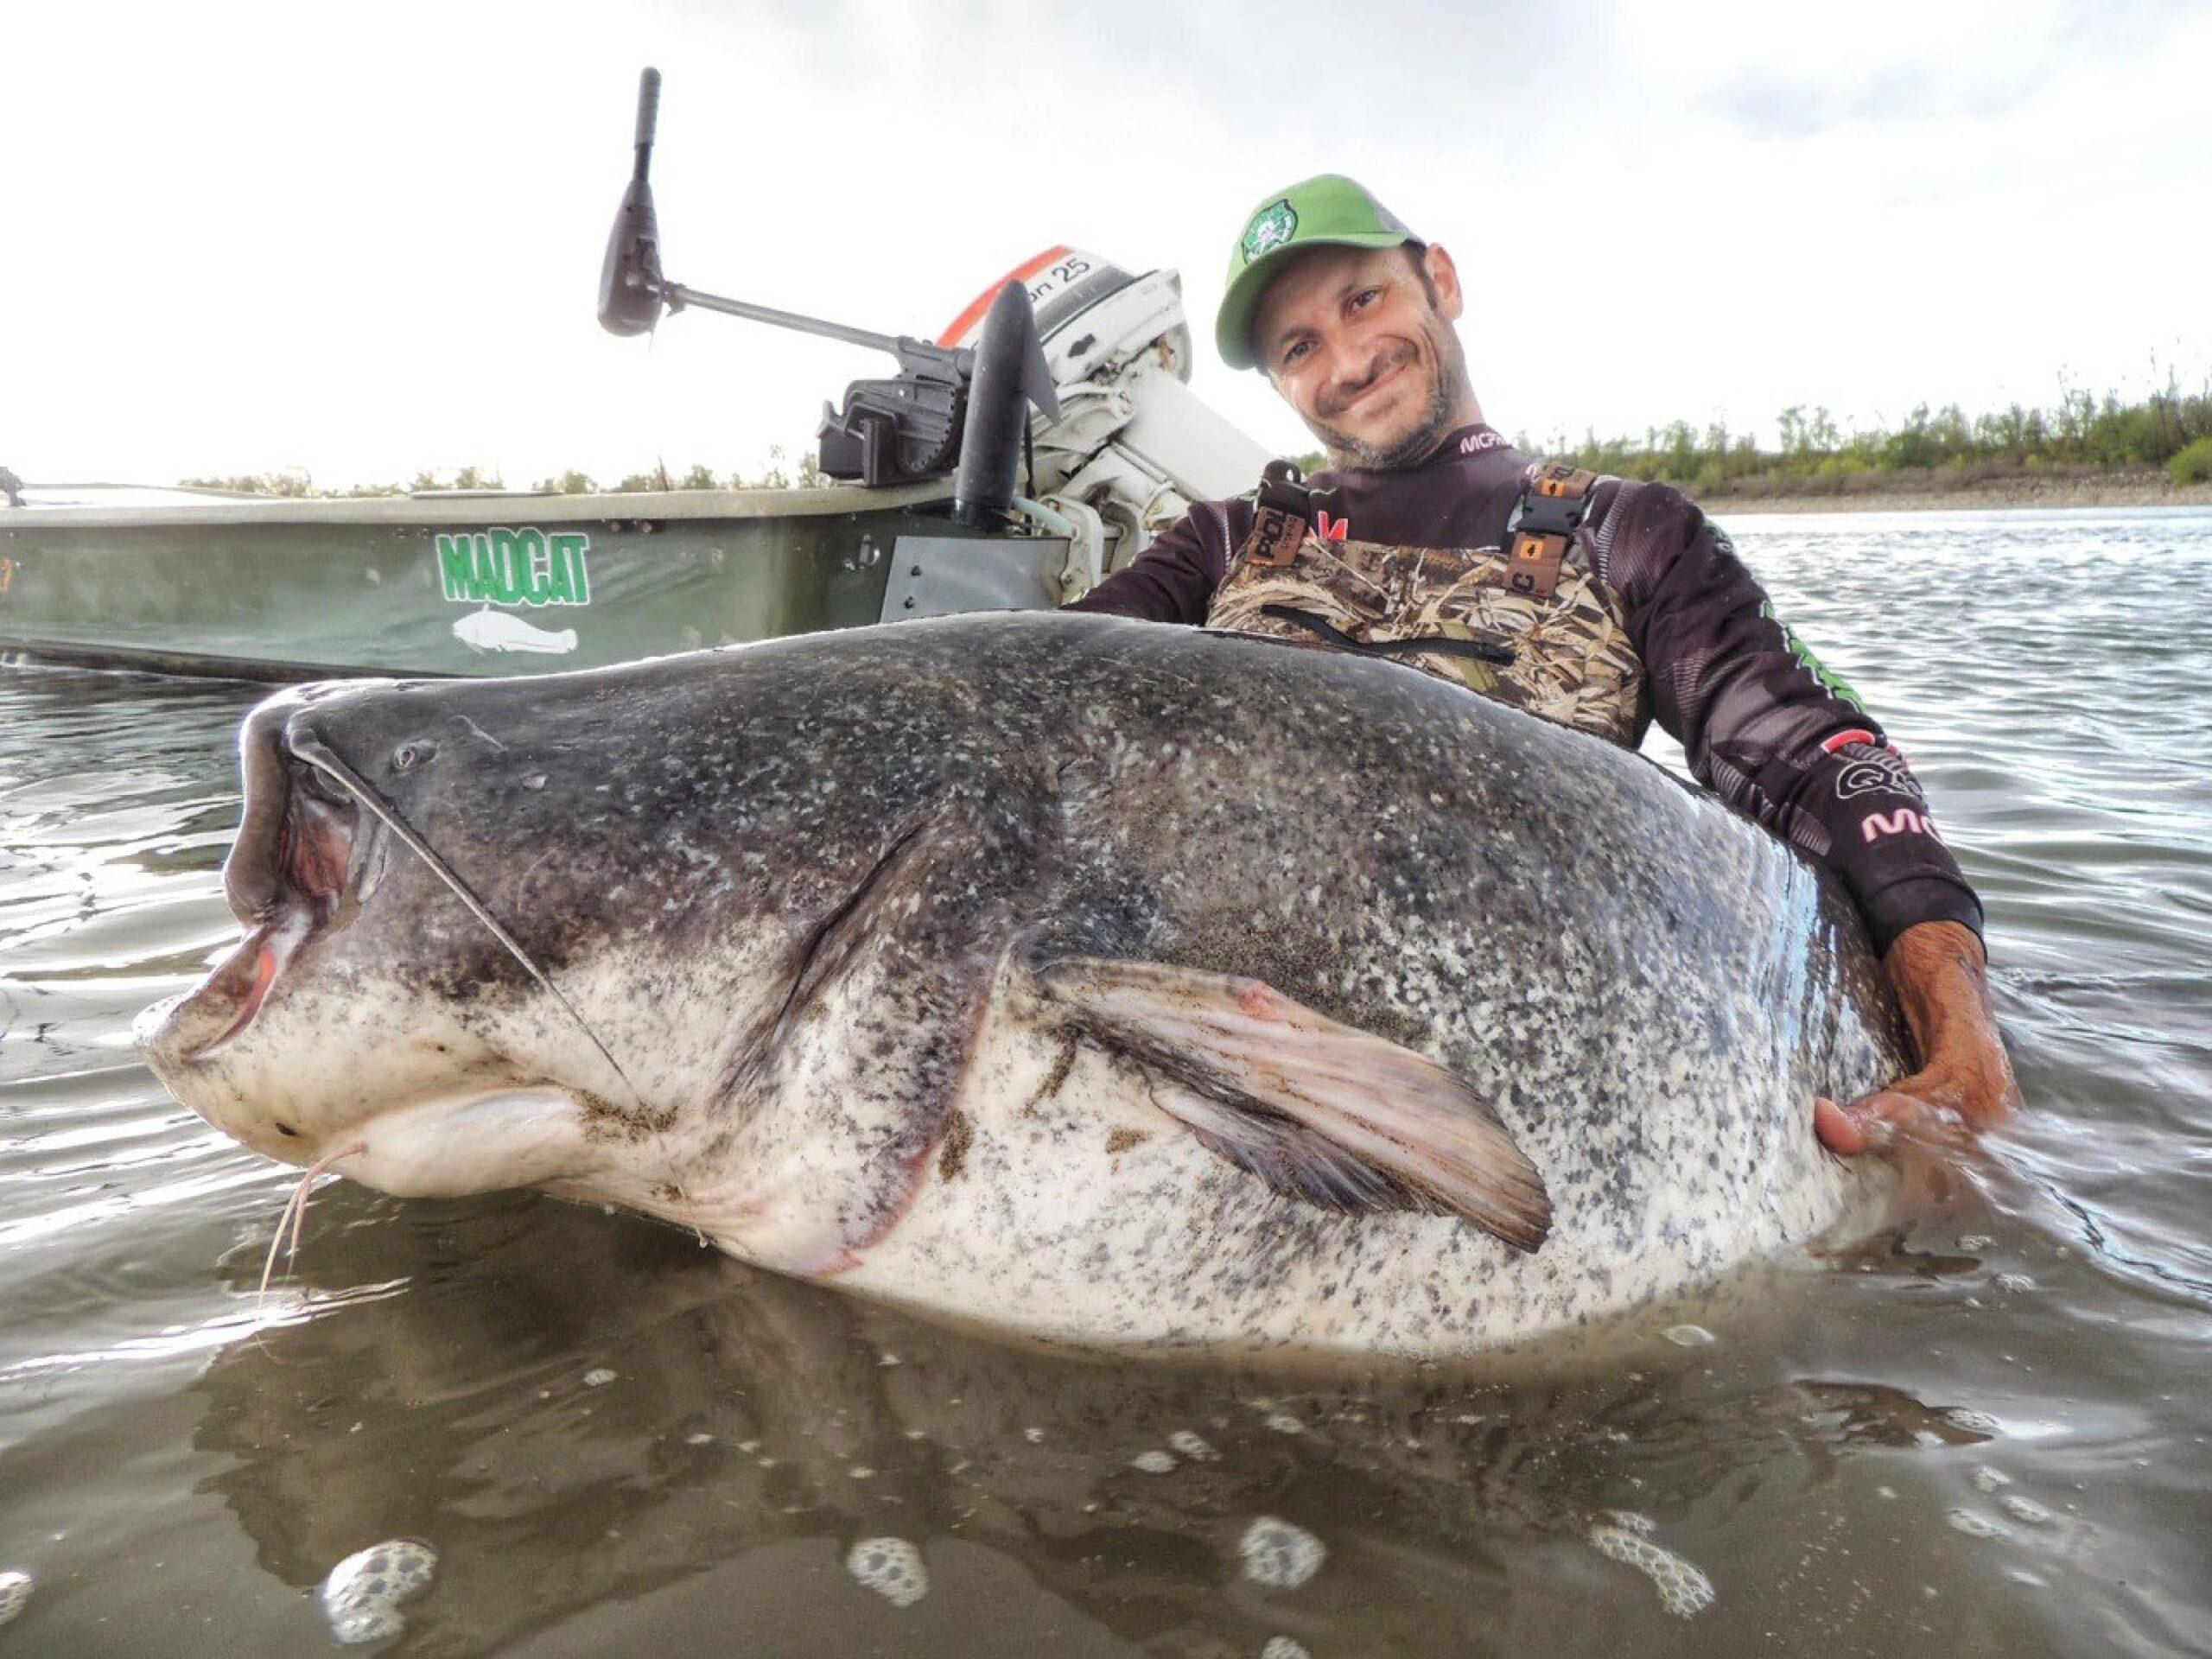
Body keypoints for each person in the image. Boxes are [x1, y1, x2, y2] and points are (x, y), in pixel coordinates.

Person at [1067, 175, 2018, 1158]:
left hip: (1513, 1083)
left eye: (1364, 299)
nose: (1346, 361)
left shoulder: (1628, 534)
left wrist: (1963, 1037)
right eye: (1296, 346)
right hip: (1213, 1059)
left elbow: (1821, 761)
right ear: (1277, 385)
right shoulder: (1217, 544)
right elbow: (1039, 704)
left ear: (1439, 279)